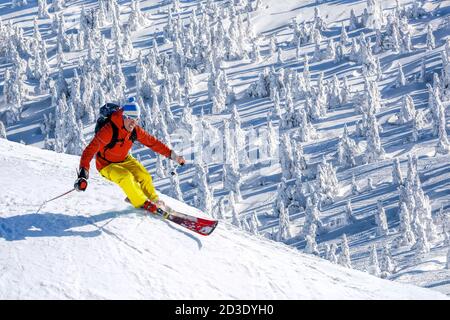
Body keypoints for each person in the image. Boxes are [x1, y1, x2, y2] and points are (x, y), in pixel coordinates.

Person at [74, 98, 185, 214]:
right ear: (124, 117)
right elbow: (89, 151)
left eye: (136, 119)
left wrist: (174, 156)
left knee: (144, 176)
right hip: (106, 164)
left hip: (124, 159)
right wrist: (83, 173)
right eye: (131, 119)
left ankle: (155, 201)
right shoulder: (109, 131)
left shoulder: (135, 130)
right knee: (126, 177)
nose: (133, 123)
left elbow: (153, 143)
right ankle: (143, 203)